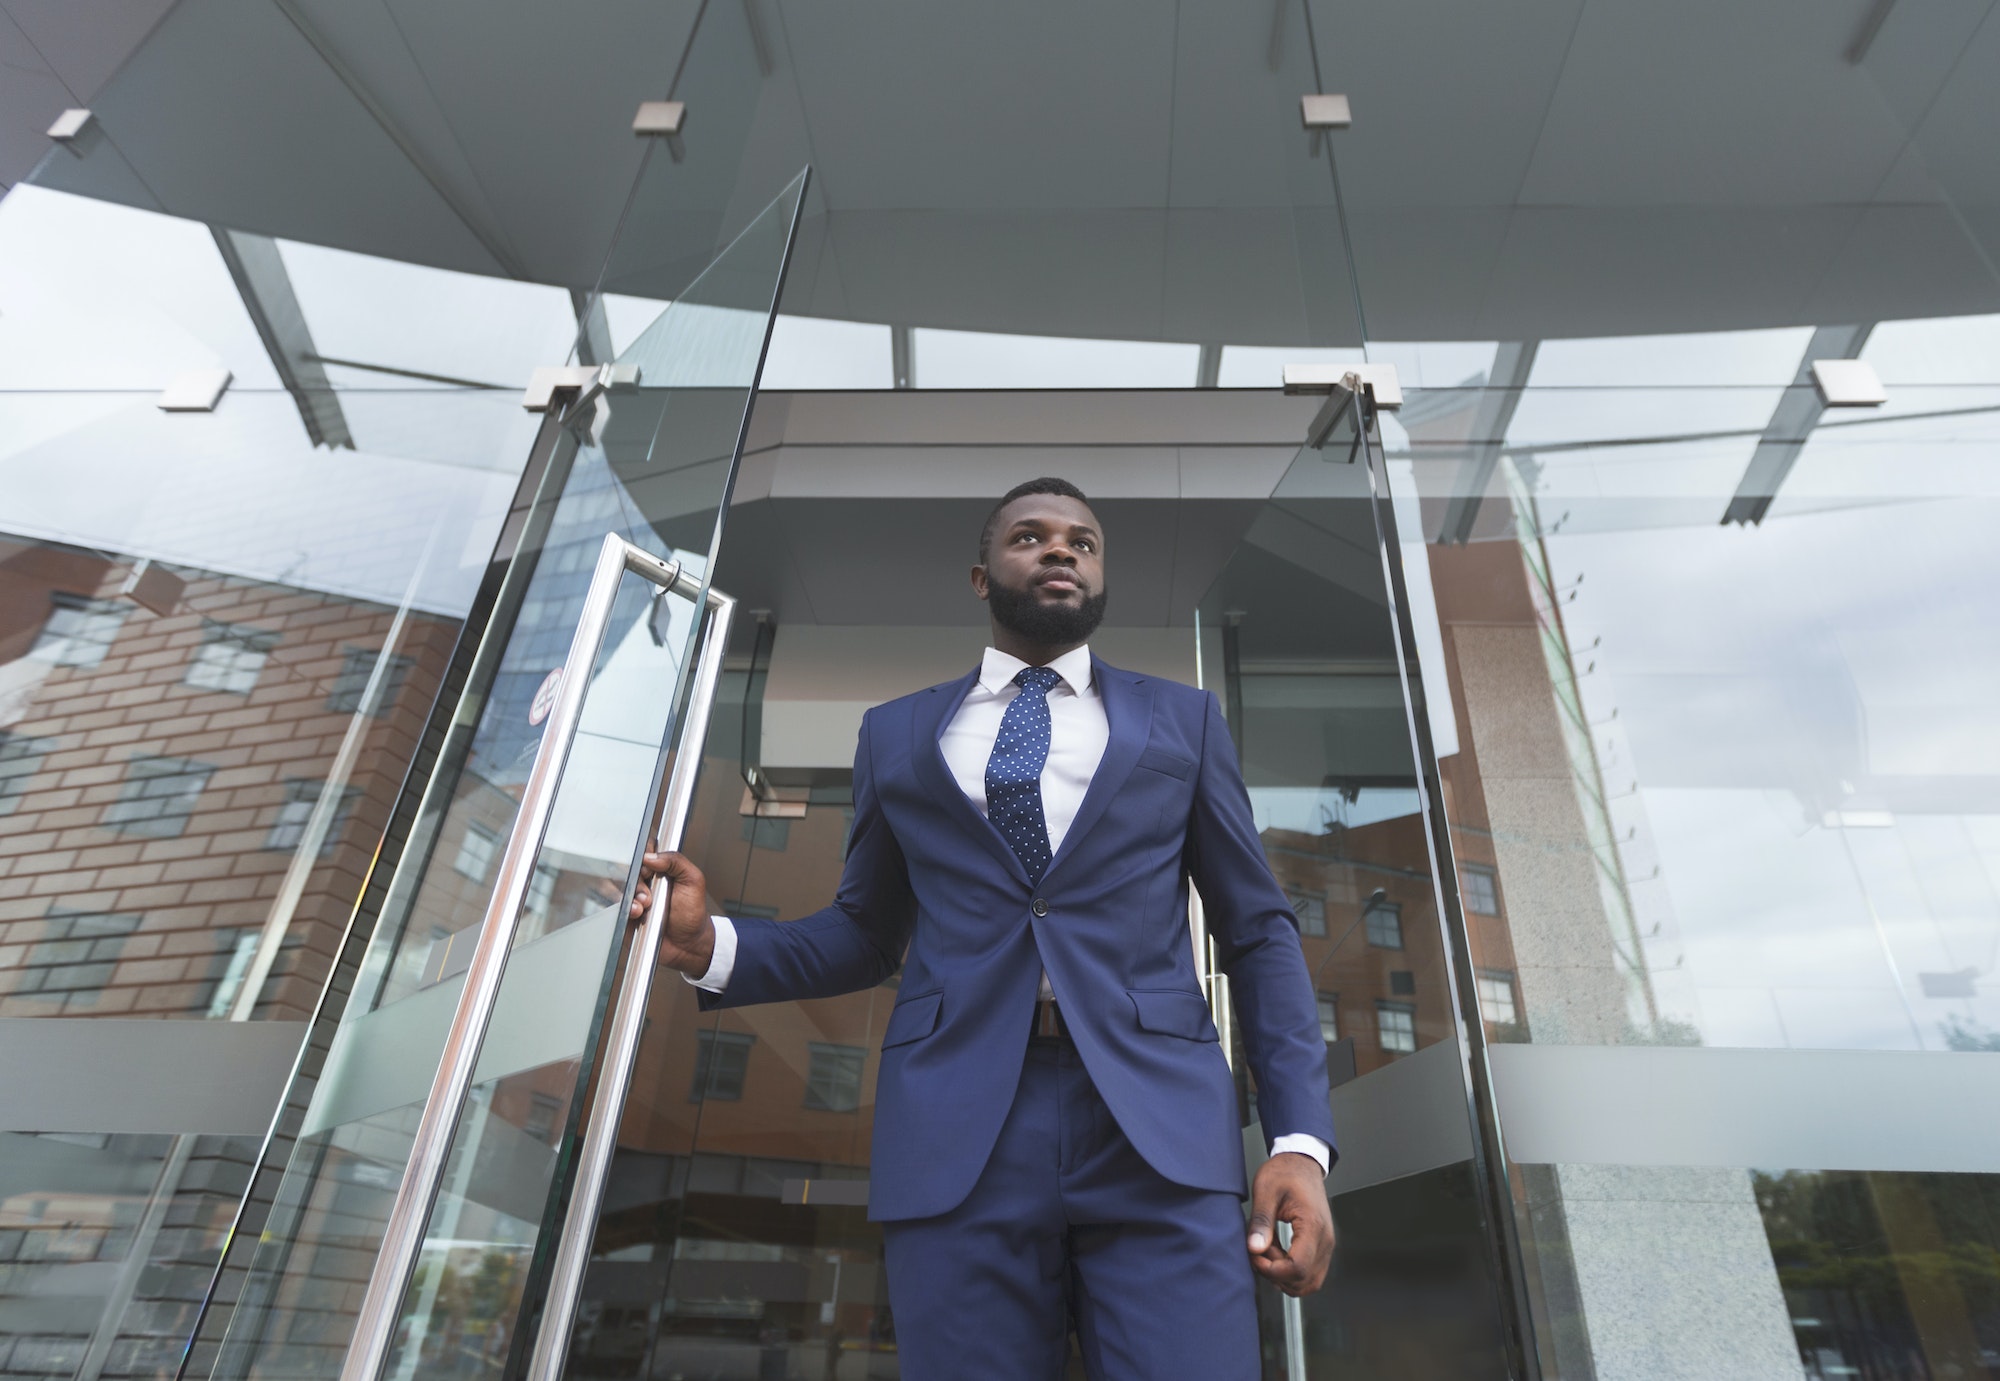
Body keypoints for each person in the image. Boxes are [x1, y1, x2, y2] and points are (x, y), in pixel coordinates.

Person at [634, 477, 1336, 1379]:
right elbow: (864, 931)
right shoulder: (896, 734)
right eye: (1031, 537)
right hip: (960, 1128)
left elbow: (1258, 932)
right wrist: (709, 945)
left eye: (1083, 542)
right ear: (980, 576)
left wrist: (1298, 1142)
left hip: (1157, 1131)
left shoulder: (1185, 720)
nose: (1060, 550)